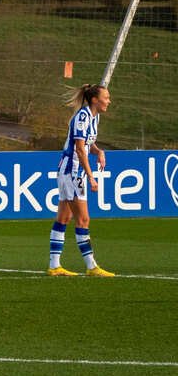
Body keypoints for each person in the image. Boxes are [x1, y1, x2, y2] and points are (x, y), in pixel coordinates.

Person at [47, 83, 114, 277]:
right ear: (95, 99)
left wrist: (99, 151)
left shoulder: (95, 117)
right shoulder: (82, 118)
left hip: (73, 173)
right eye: (106, 97)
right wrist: (91, 177)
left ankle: (54, 266)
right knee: (83, 219)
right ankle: (92, 266)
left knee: (64, 218)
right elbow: (79, 148)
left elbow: (88, 145)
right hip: (72, 172)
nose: (109, 101)